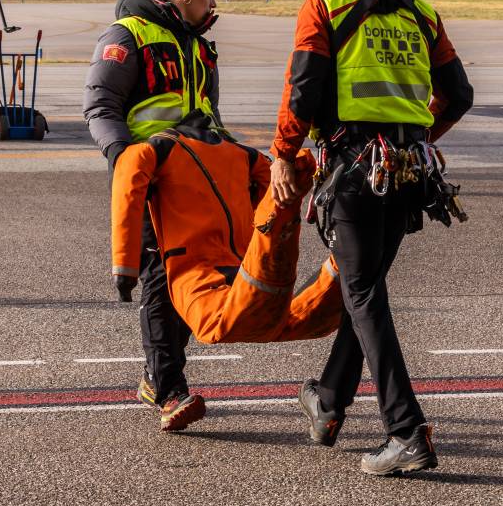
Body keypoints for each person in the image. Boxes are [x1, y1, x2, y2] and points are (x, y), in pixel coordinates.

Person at [270, 0, 473, 476]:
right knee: (366, 290)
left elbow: (304, 91)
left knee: (360, 294)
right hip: (410, 172)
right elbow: (458, 95)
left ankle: (406, 431)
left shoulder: (325, 3)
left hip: (354, 170)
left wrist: (283, 153)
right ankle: (328, 400)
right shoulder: (422, 13)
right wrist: (419, 136)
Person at [83, 0, 224, 431]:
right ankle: (169, 390)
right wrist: (127, 162)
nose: (212, 3)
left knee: (197, 276)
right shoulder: (127, 36)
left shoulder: (200, 46)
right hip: (150, 180)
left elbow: (210, 114)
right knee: (162, 279)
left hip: (197, 181)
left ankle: (155, 376)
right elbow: (101, 106)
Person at [110, 113, 342, 348]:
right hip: (241, 268)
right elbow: (274, 190)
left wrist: (125, 272)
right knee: (284, 317)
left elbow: (127, 196)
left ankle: (344, 263)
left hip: (197, 275)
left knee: (224, 322)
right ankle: (346, 262)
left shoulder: (150, 151)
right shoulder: (245, 155)